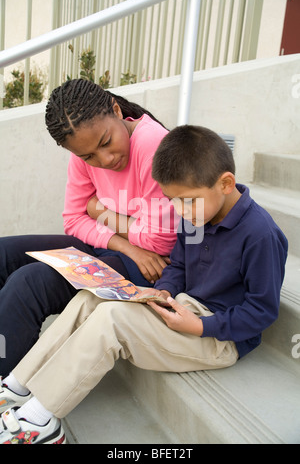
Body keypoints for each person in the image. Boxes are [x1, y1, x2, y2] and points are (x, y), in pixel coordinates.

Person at [0, 125, 288, 445]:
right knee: (89, 299)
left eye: (187, 201)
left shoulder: (260, 235)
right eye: (172, 201)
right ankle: (16, 386)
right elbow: (178, 264)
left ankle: (41, 422)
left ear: (226, 183)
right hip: (180, 306)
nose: (180, 211)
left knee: (112, 319)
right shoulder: (195, 216)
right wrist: (163, 290)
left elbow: (263, 311)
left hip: (219, 337)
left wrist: (199, 327)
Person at [0, 79, 178, 377]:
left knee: (31, 283)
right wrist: (125, 242)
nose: (104, 160)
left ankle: (9, 391)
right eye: (88, 156)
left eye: (106, 142)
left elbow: (159, 242)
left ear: (117, 110)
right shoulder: (83, 150)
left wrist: (99, 211)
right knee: (3, 252)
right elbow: (73, 218)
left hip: (148, 266)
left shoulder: (153, 145)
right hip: (120, 249)